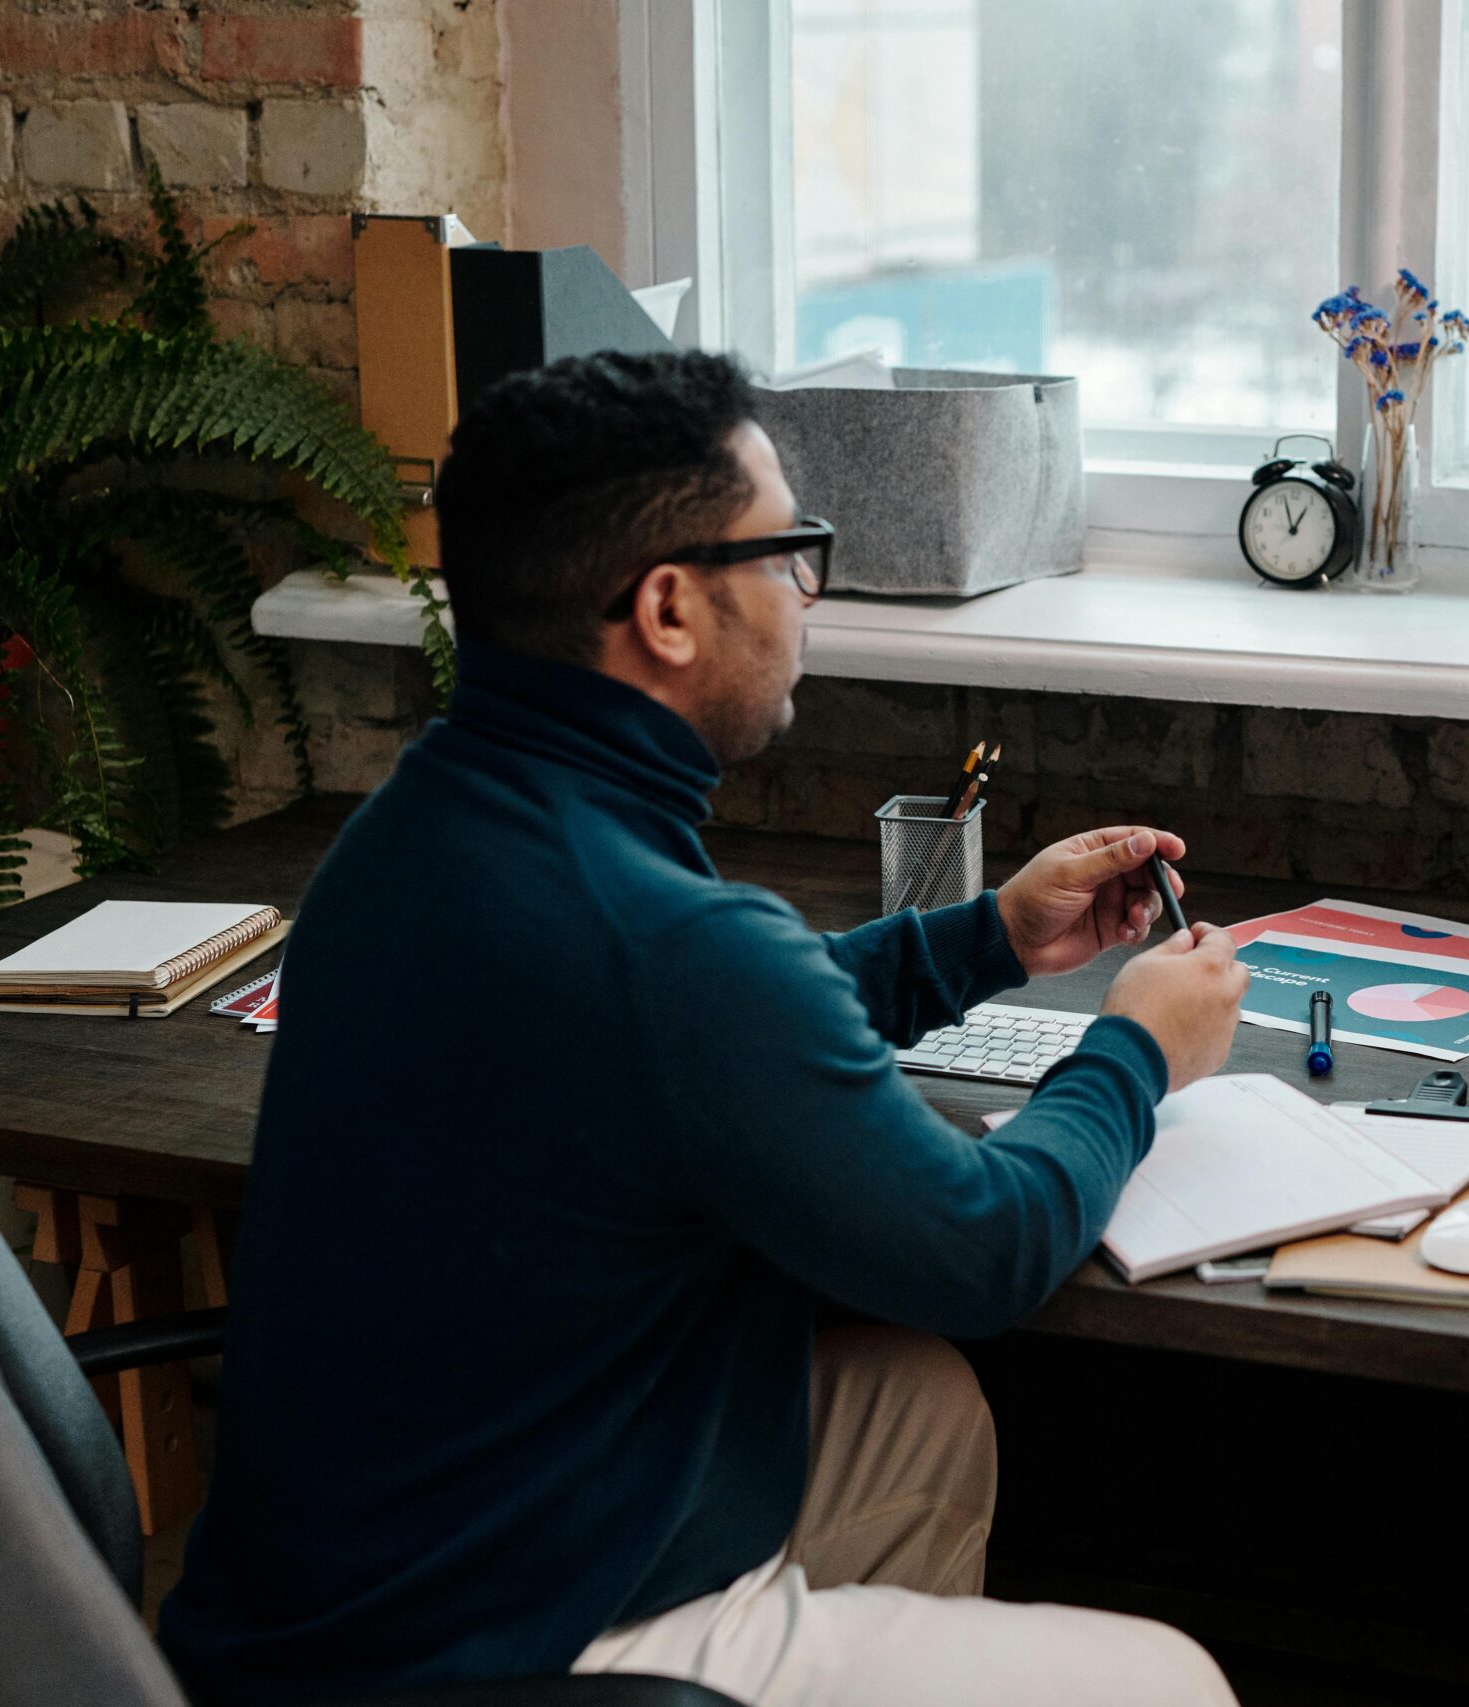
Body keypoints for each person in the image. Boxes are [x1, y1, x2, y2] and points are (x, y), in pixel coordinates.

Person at [159, 351, 1248, 1707]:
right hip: (510, 1642)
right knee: (1172, 1678)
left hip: (342, 1590)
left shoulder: (409, 836)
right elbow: (984, 1247)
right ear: (669, 607)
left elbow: (669, 1043)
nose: (807, 594)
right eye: (790, 552)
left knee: (916, 1406)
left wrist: (992, 938)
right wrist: (1140, 1046)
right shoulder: (671, 945)